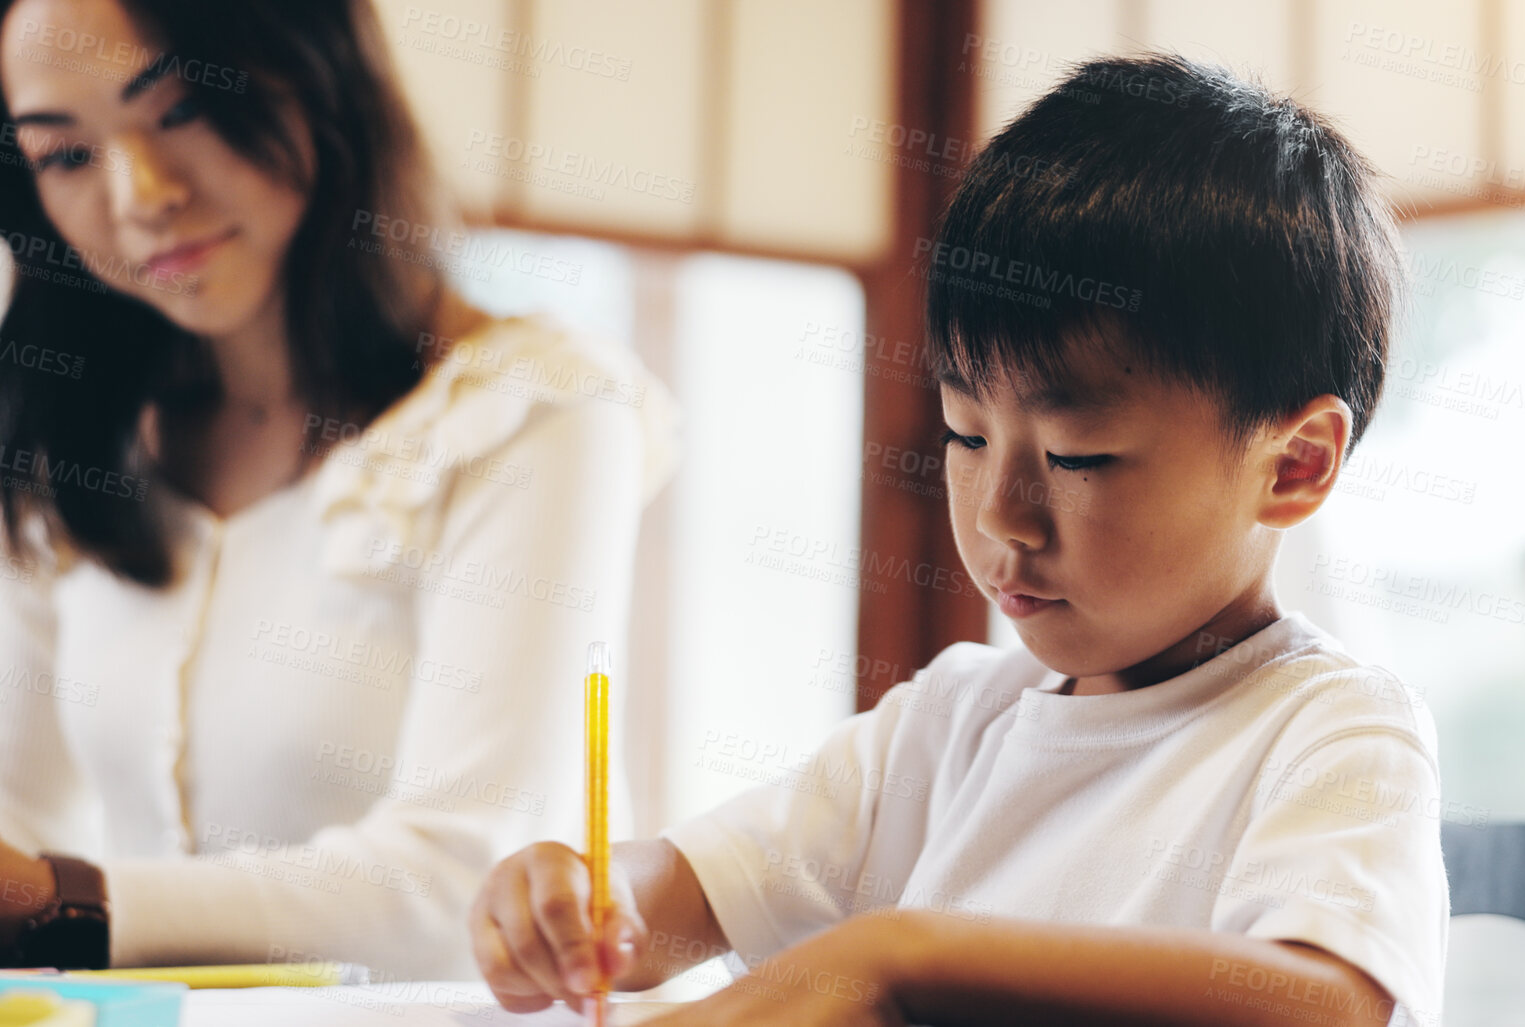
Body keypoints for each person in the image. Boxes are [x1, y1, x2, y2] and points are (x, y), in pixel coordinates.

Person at [472, 53, 1445, 1026]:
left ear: (1295, 465)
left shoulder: (1331, 731)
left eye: (1078, 455)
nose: (998, 514)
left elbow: (1324, 1004)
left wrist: (904, 956)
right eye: (966, 435)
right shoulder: (948, 726)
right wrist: (584, 900)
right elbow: (681, 901)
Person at [0, 0, 674, 979]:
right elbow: (15, 806)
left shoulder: (534, 411)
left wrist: (59, 901)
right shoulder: (78, 426)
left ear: (318, 74)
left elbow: (461, 881)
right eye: (66, 156)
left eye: (182, 108)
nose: (141, 194)